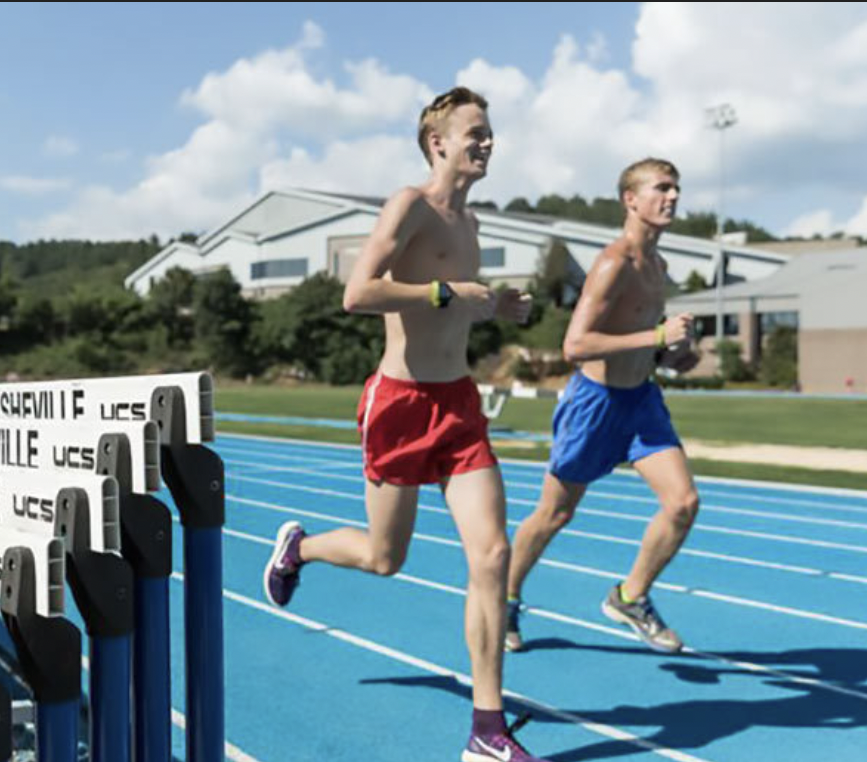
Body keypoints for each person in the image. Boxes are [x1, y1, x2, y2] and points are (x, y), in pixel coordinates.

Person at [262, 86, 544, 762]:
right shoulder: (408, 205)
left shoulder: (472, 225)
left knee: (493, 556)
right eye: (474, 131)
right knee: (385, 559)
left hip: (459, 407)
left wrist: (498, 307)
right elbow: (357, 294)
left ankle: (485, 730)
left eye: (490, 131)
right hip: (400, 405)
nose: (487, 141)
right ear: (437, 142)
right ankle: (298, 548)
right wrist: (447, 291)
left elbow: (457, 308)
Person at [504, 158, 700, 656]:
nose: (672, 196)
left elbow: (641, 344)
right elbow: (576, 344)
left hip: (641, 402)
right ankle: (503, 598)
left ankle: (630, 597)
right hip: (594, 404)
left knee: (682, 503)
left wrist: (674, 352)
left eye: (676, 188)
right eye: (661, 188)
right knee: (554, 514)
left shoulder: (659, 267)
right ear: (630, 200)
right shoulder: (615, 262)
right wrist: (657, 333)